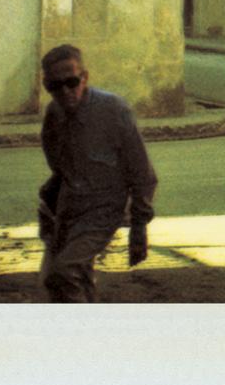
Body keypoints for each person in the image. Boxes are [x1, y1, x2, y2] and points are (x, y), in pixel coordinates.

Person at [36, 43, 157, 303]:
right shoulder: (54, 114)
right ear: (46, 85)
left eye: (71, 82)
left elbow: (141, 171)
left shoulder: (113, 110)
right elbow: (56, 163)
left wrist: (139, 227)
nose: (65, 92)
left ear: (85, 78)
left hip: (103, 210)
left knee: (65, 271)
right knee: (58, 281)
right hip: (68, 209)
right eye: (55, 86)